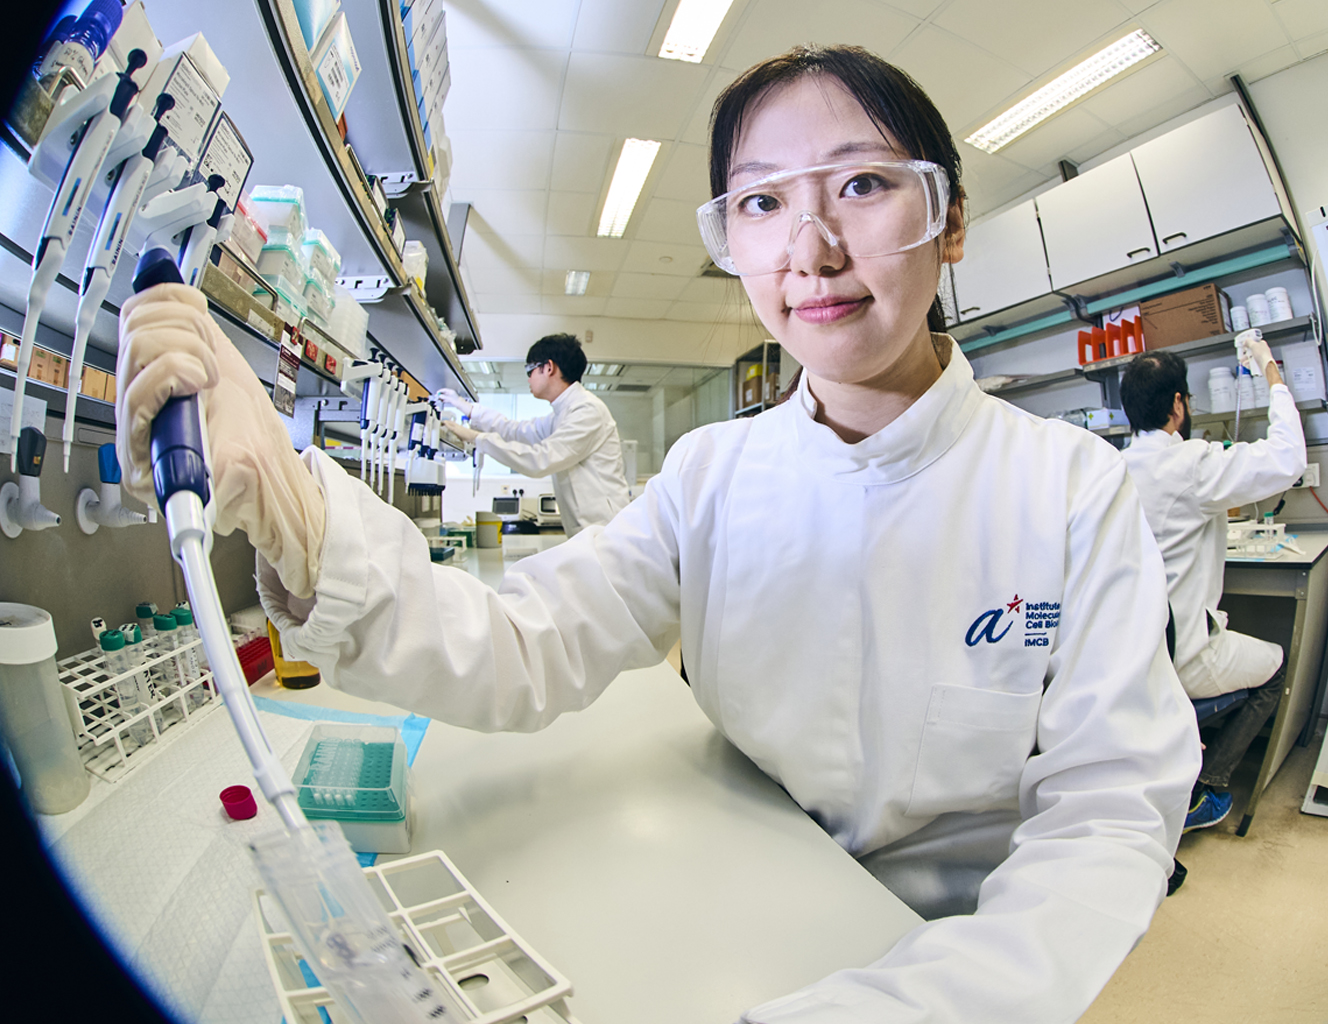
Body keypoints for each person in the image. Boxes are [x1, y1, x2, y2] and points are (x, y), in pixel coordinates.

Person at [115, 44, 1199, 1023]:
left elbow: (1105, 821)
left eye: (862, 185)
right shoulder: (713, 475)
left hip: (968, 966)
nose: (810, 249)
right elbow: (523, 641)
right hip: (734, 900)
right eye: (762, 204)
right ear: (733, 239)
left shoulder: (1071, 490)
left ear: (948, 219)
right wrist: (301, 516)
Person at [1120, 342, 1308, 832]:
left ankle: (1183, 756)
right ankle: (1210, 789)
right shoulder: (1190, 464)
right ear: (1178, 405)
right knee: (1273, 665)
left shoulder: (1110, 468)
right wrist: (1269, 367)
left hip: (1126, 662)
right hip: (1181, 659)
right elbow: (1288, 458)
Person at [436, 333, 629, 534]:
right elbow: (514, 431)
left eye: (530, 370)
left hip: (607, 532)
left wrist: (476, 438)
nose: (528, 378)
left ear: (549, 367)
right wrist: (466, 408)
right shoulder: (561, 415)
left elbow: (540, 460)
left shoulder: (587, 411)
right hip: (589, 533)